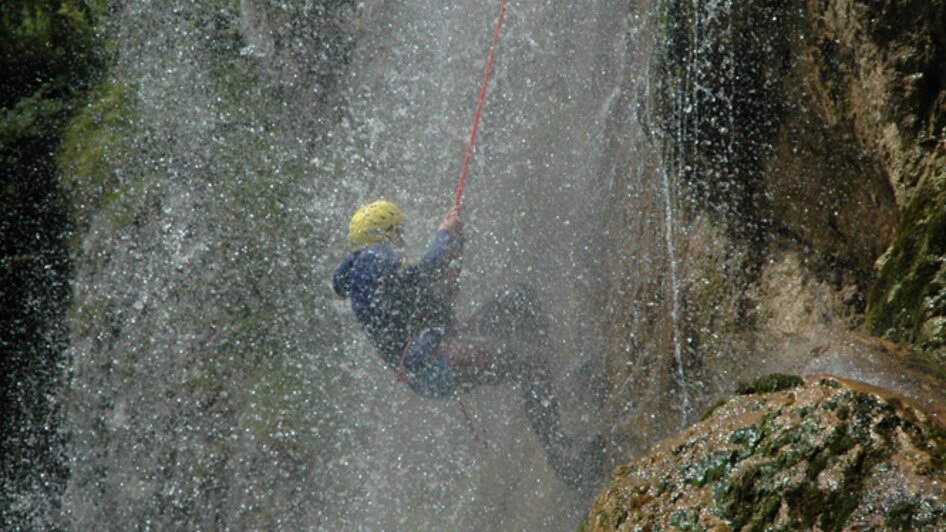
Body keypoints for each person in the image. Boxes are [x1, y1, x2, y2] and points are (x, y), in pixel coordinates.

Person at [333, 199, 603, 490]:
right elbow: (428, 271)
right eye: (397, 232)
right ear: (382, 234)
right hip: (434, 362)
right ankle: (564, 456)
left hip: (437, 352)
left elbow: (433, 299)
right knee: (531, 363)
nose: (402, 240)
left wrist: (455, 246)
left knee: (518, 298)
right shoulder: (374, 258)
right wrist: (445, 233)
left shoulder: (370, 277)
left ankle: (561, 377)